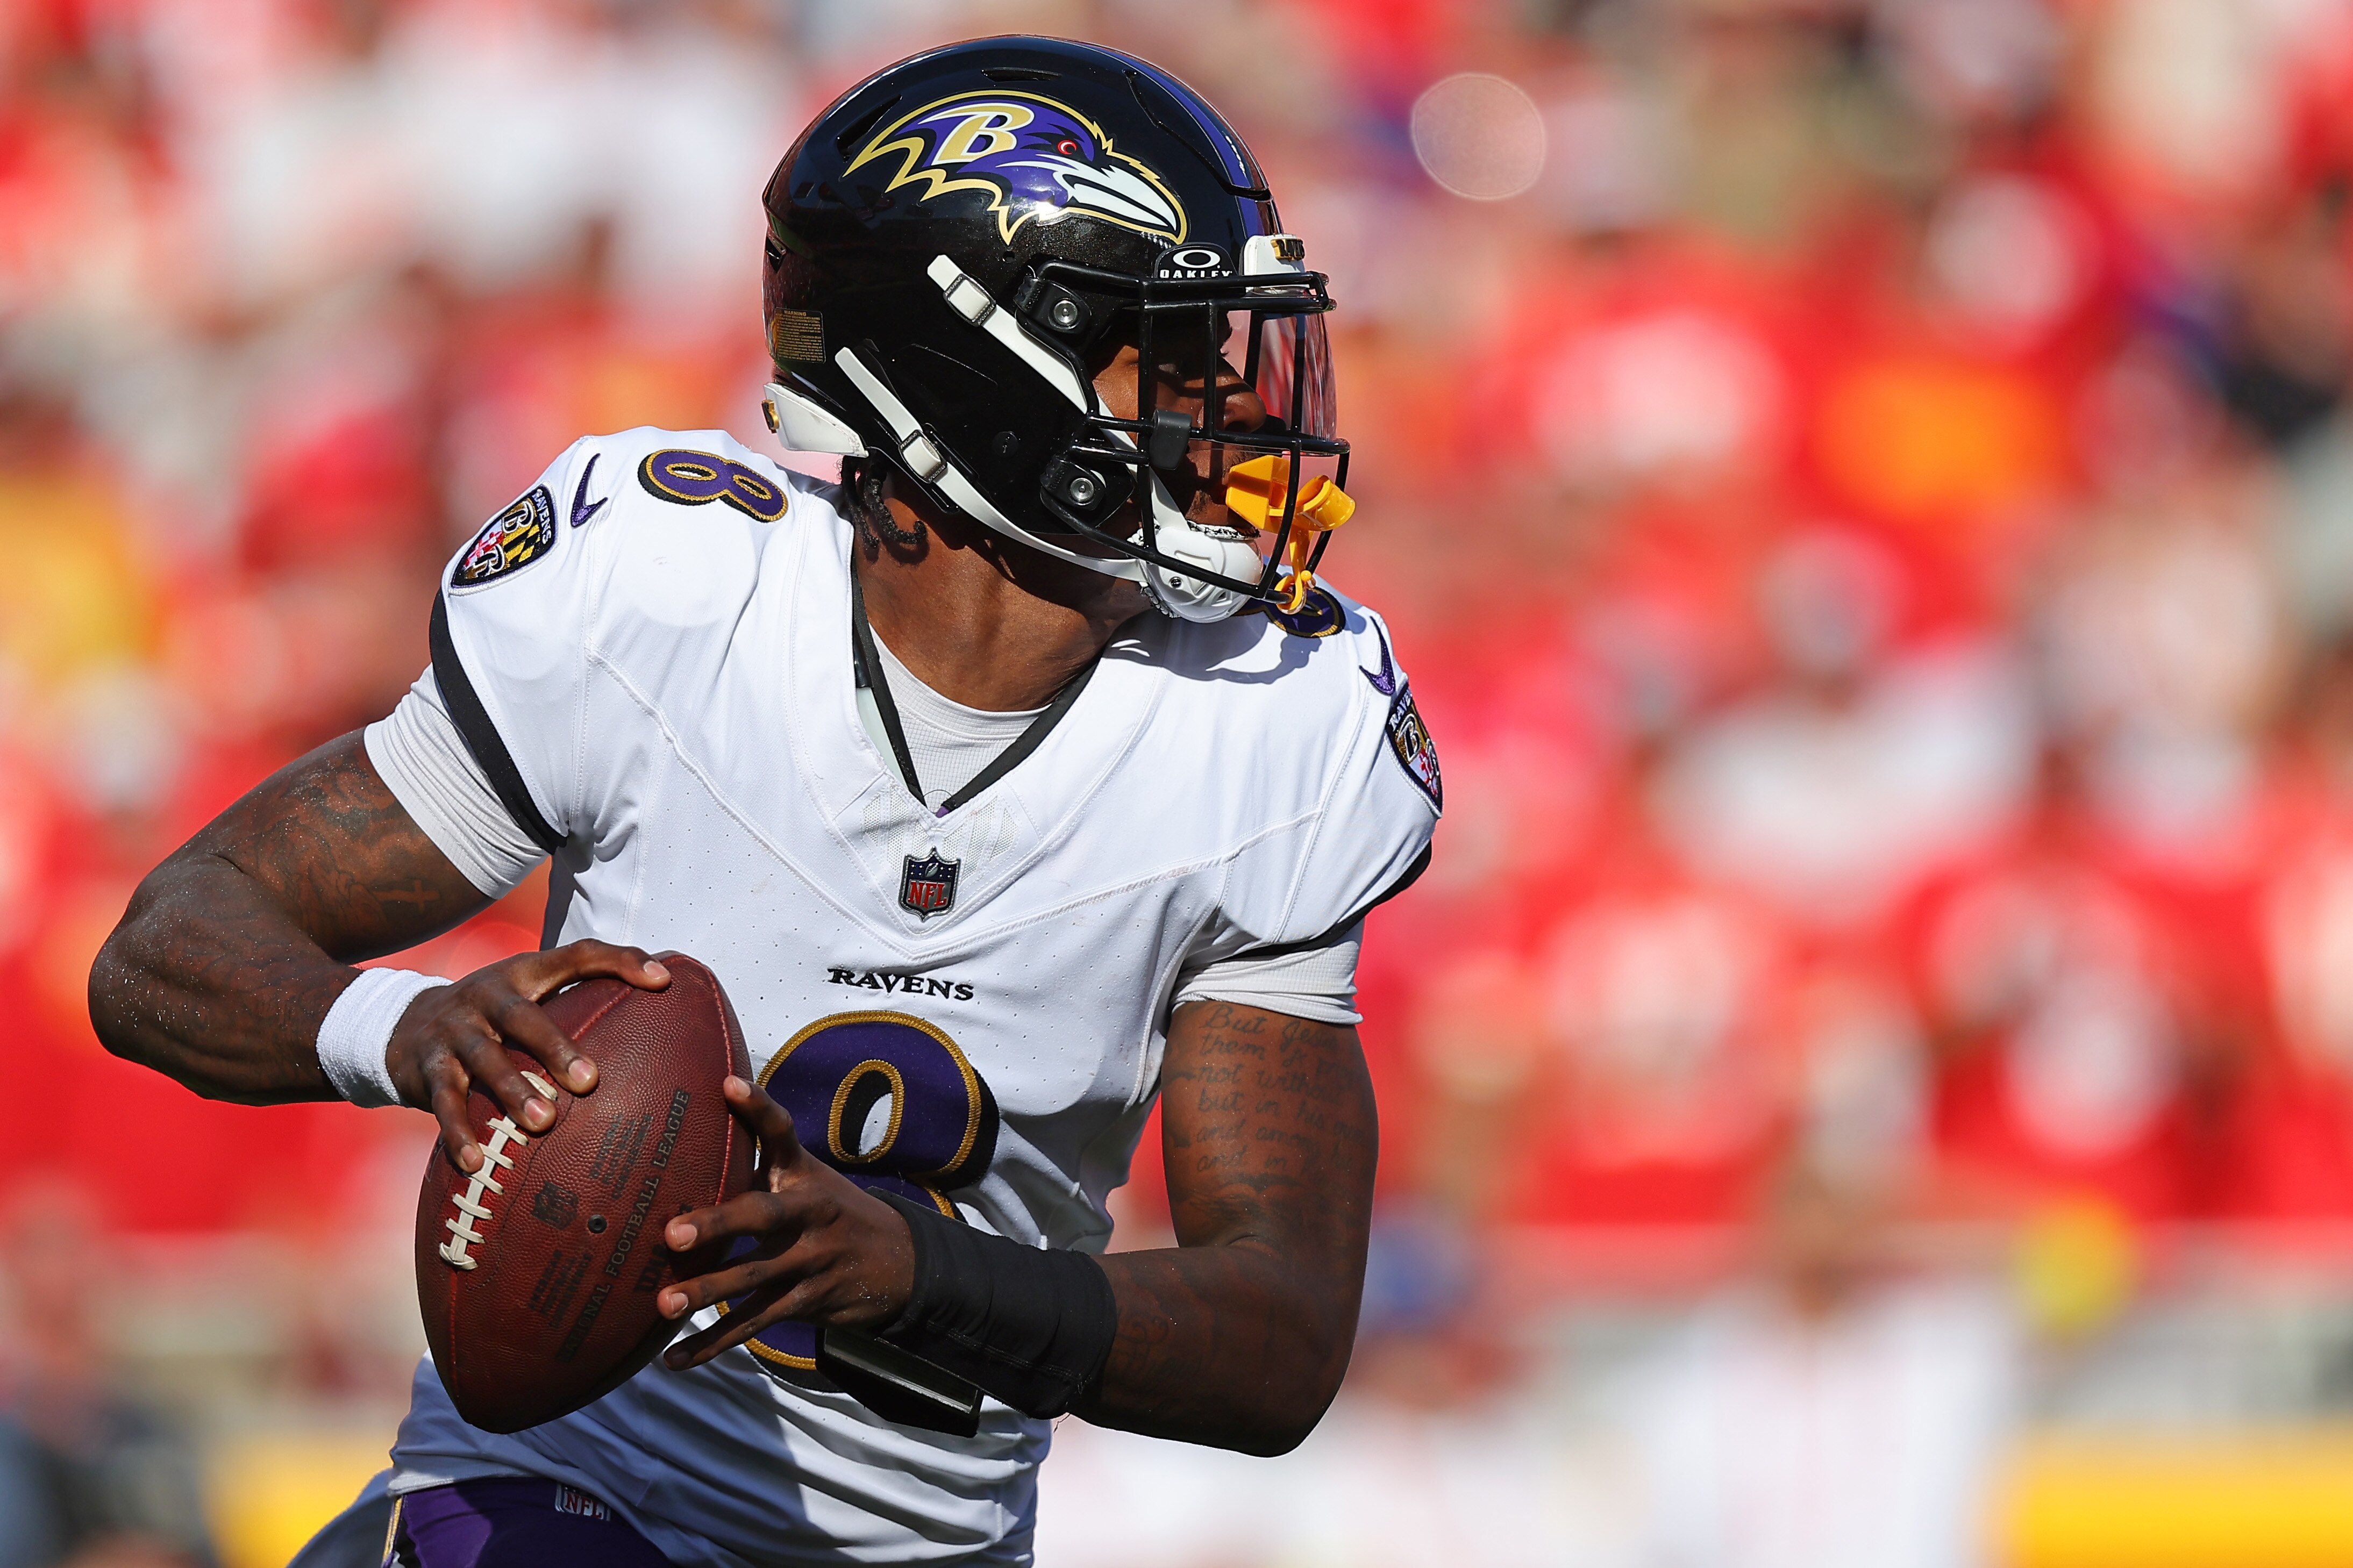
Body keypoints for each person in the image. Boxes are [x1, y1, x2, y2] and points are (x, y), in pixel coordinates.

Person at [88, 36, 1437, 1567]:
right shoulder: (672, 598)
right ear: (977, 376)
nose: (1231, 408)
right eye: (1171, 354)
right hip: (558, 1499)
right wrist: (404, 1032)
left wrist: (913, 1275)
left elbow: (1281, 1338)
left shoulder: (1270, 723)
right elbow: (165, 947)